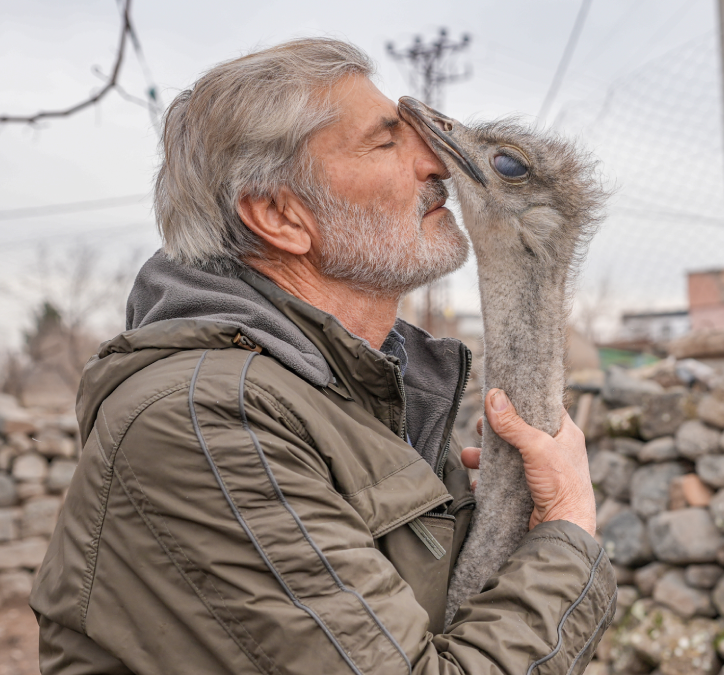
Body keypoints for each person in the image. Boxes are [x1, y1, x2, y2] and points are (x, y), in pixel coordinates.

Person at [30, 37, 614, 674]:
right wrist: (567, 527)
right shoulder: (208, 422)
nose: (435, 163)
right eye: (388, 140)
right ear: (281, 215)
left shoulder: (367, 398)